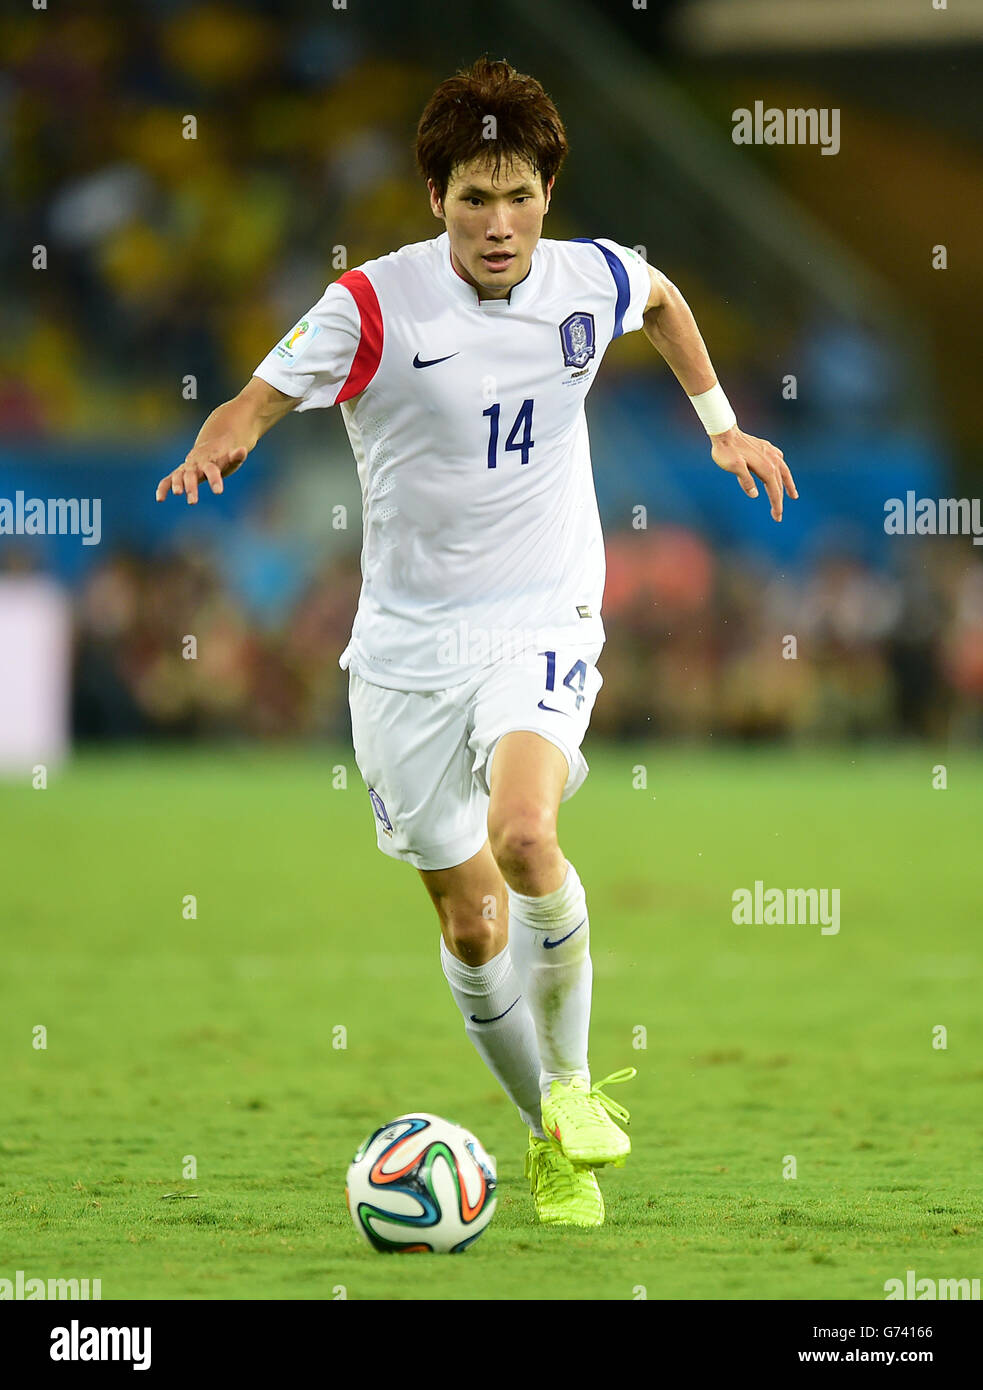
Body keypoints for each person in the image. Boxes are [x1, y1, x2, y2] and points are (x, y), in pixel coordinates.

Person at [156, 55, 797, 1227]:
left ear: (547, 190)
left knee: (523, 833)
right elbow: (251, 397)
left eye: (515, 195)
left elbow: (659, 300)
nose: (496, 224)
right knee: (465, 918)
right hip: (403, 646)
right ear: (433, 199)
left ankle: (572, 1085)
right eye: (470, 198)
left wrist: (720, 423)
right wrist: (224, 440)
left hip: (541, 610)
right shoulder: (371, 304)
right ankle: (545, 1137)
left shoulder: (590, 277)